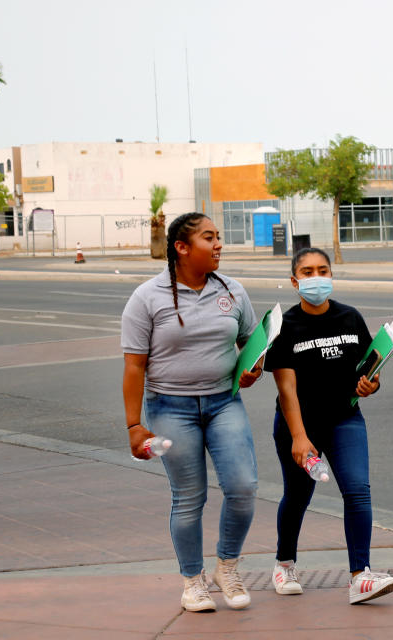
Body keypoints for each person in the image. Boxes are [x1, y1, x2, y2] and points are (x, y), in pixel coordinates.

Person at [121, 212, 263, 613]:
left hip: (224, 403)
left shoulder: (233, 291)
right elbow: (134, 367)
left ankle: (227, 567)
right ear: (182, 248)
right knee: (189, 498)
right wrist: (135, 425)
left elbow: (252, 344)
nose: (218, 244)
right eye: (208, 238)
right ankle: (193, 581)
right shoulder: (147, 297)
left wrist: (253, 369)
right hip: (170, 407)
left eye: (218, 237)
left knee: (243, 487)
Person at [264, 247, 393, 605]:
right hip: (298, 424)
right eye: (307, 272)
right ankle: (284, 563)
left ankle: (361, 576)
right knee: (298, 495)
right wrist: (298, 436)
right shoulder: (286, 326)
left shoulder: (350, 318)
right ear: (295, 281)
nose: (316, 278)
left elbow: (370, 369)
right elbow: (286, 388)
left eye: (323, 270)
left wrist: (372, 384)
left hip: (345, 419)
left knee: (357, 490)